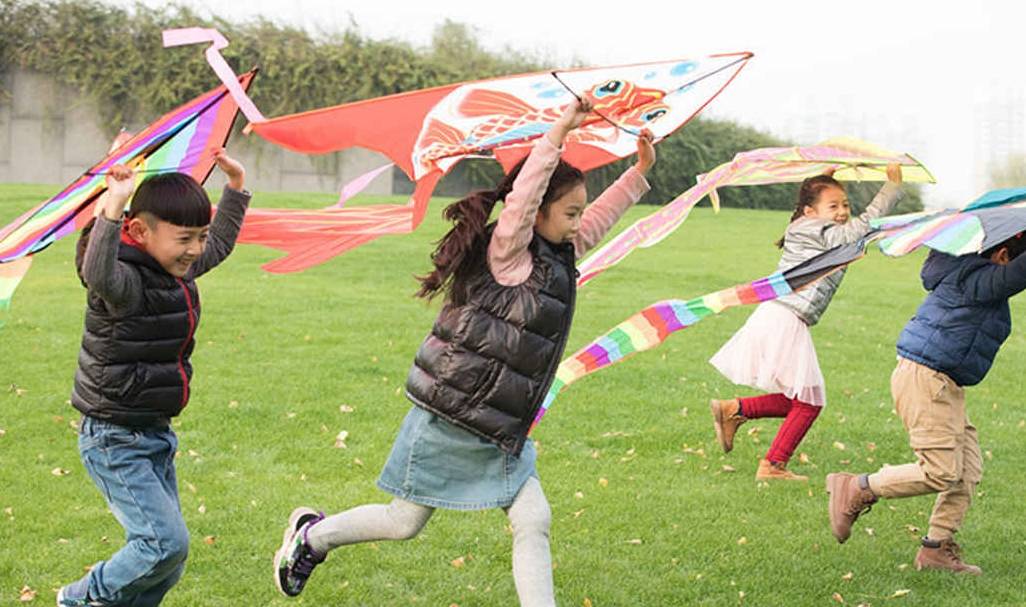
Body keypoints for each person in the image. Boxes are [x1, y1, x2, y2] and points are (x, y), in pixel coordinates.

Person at [273, 99, 655, 607]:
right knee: (402, 521)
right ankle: (309, 539)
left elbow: (598, 219)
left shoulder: (559, 253)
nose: (577, 222)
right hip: (453, 416)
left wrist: (639, 172)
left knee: (533, 520)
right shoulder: (509, 250)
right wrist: (558, 132)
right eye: (568, 212)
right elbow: (520, 201)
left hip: (500, 427)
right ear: (537, 211)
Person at [57, 149, 250, 606]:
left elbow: (218, 247)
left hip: (155, 433)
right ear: (140, 232)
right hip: (113, 435)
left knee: (169, 560)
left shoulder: (174, 267)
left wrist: (236, 187)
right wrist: (114, 204)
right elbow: (97, 271)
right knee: (164, 544)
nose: (197, 249)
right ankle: (79, 599)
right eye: (185, 238)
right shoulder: (122, 284)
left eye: (200, 235)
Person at [826, 232, 1026, 575]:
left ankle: (935, 549)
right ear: (1002, 254)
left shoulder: (968, 271)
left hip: (942, 382)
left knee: (966, 472)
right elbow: (1015, 275)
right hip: (926, 379)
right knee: (941, 470)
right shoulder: (973, 276)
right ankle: (857, 486)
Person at [709, 166, 904, 480]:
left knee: (802, 398)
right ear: (811, 211)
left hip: (784, 316)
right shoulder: (815, 228)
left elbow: (850, 235)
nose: (842, 212)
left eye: (845, 205)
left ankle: (735, 410)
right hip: (784, 318)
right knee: (810, 400)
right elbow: (854, 233)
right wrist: (891, 188)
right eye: (833, 206)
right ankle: (772, 464)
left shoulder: (810, 226)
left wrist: (816, 184)